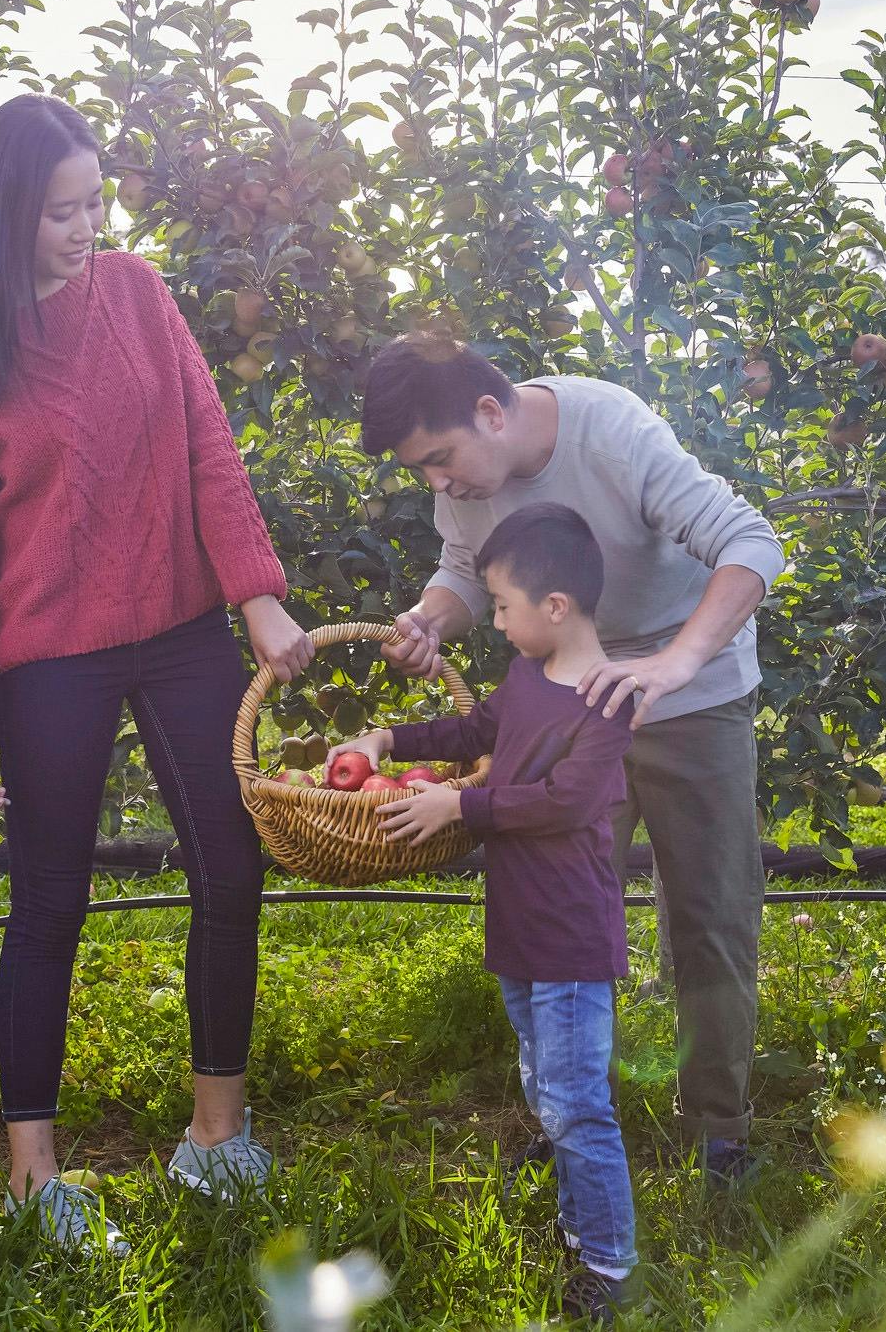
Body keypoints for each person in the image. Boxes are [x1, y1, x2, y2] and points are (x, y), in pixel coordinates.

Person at [0, 93, 315, 1254]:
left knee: (231, 865)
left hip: (181, 625)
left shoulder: (138, 292)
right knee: (50, 902)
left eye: (95, 203)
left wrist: (257, 593)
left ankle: (214, 1137)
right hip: (50, 657)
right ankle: (34, 1178)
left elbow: (207, 446)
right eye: (61, 211)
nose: (87, 226)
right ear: (4, 216)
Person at [360, 333, 785, 1188]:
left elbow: (751, 543)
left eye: (440, 459)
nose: (438, 483)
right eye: (422, 471)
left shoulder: (611, 432)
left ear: (490, 412)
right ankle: (574, 1118)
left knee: (708, 915)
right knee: (557, 917)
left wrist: (671, 662)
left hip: (689, 699)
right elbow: (463, 571)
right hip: (565, 703)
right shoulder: (464, 487)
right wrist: (430, 620)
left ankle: (717, 1132)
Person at [332, 503, 640, 1322]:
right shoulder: (527, 677)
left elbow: (566, 801)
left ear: (555, 606)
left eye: (501, 605)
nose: (494, 621)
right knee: (545, 1082)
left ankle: (609, 1264)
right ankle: (578, 1220)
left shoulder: (607, 701)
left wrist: (459, 806)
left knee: (576, 1100)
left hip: (570, 935)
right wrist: (388, 739)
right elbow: (472, 728)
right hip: (519, 926)